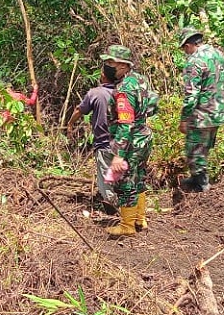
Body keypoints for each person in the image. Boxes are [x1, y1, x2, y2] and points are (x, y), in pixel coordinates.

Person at [100, 44, 159, 237]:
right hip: (144, 136)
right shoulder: (140, 79)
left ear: (124, 66)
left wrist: (119, 155)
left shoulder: (124, 89)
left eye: (111, 63)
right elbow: (152, 104)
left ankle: (127, 226)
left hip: (132, 141)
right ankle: (140, 219)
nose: (107, 66)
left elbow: (125, 124)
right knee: (139, 177)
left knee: (126, 182)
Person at [177, 27, 224, 192]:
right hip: (218, 112)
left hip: (202, 115)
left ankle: (203, 186)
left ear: (188, 45)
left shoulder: (194, 61)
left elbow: (191, 94)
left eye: (185, 48)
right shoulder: (218, 55)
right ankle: (195, 179)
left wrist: (185, 119)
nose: (185, 52)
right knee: (204, 147)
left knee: (194, 150)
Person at [67, 70, 117, 205]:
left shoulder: (95, 93)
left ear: (103, 76)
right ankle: (128, 212)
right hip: (124, 144)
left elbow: (79, 110)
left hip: (104, 144)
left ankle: (115, 214)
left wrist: (70, 124)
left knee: (107, 182)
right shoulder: (124, 92)